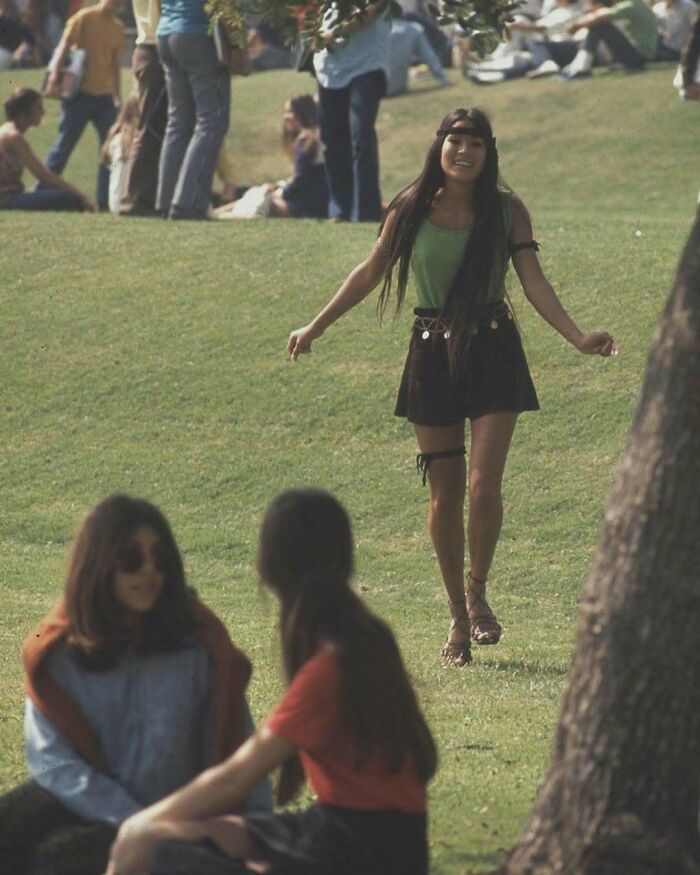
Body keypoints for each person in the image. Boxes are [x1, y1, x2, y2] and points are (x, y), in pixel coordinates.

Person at [287, 108, 617, 668]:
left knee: (484, 486)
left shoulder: (507, 211)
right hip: (432, 355)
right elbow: (369, 271)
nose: (463, 152)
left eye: (475, 144)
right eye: (454, 141)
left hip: (493, 349)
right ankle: (457, 618)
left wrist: (578, 337)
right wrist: (315, 326)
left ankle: (478, 590)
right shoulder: (411, 207)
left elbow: (533, 281)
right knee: (445, 492)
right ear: (439, 147)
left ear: (490, 153)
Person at [105, 488, 436, 875]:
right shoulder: (364, 635)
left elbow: (238, 778)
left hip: (359, 852)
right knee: (200, 835)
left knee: (160, 851)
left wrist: (139, 826)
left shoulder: (332, 665)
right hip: (369, 837)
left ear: (270, 566)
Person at [0, 494, 272, 875]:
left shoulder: (200, 648)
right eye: (131, 559)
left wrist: (257, 839)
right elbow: (55, 764)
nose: (149, 572)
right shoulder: (58, 655)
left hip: (187, 819)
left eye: (159, 558)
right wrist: (136, 822)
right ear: (97, 565)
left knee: (56, 860)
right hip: (101, 811)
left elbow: (239, 750)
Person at [42, 0, 124, 210]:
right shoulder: (84, 18)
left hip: (104, 97)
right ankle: (41, 192)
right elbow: (64, 45)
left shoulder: (117, 27)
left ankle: (105, 200)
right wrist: (53, 78)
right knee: (64, 144)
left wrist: (117, 97)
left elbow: (114, 64)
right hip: (79, 94)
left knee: (109, 148)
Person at [314, 2, 390, 222]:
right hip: (329, 65)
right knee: (332, 140)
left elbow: (371, 11)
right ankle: (340, 209)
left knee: (362, 137)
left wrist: (331, 34)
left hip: (367, 62)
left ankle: (366, 211)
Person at [155, 0, 230, 219]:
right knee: (212, 121)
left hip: (166, 33)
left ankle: (167, 201)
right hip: (197, 33)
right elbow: (224, 8)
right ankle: (187, 202)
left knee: (178, 122)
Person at [214, 94, 328, 220]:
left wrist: (282, 191)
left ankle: (226, 215)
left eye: (290, 112)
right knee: (256, 193)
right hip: (312, 201)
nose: (286, 117)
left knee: (262, 197)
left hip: (305, 205)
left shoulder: (306, 141)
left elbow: (301, 180)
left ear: (302, 113)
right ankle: (221, 213)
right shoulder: (311, 139)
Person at [0, 86, 92, 210]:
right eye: (38, 108)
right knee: (68, 197)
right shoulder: (14, 137)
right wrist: (79, 195)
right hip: (7, 200)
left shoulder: (8, 131)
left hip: (10, 196)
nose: (43, 112)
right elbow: (43, 175)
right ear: (24, 111)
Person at [119, 0, 168, 216]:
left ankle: (144, 196)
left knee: (152, 126)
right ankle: (134, 200)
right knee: (149, 128)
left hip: (147, 47)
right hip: (155, 46)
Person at [560, 0, 658, 79]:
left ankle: (582, 66)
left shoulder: (631, 4)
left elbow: (601, 16)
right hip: (641, 55)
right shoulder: (638, 4)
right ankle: (580, 64)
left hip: (638, 56)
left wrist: (576, 25)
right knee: (601, 25)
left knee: (600, 25)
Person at [387, 18, 448, 97]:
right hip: (396, 87)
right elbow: (429, 57)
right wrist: (443, 79)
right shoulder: (413, 30)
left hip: (371, 88)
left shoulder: (374, 29)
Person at [101, 94, 141, 213]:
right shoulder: (120, 143)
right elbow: (119, 175)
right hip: (121, 203)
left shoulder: (117, 140)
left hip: (118, 203)